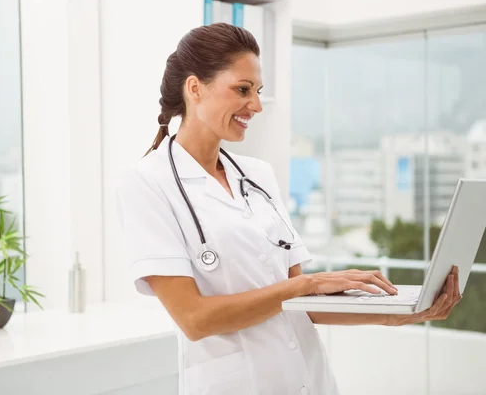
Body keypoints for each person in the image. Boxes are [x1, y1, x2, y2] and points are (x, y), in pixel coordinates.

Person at [116, 23, 462, 395]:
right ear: (195, 87)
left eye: (258, 91)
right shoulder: (147, 182)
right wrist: (307, 283)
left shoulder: (257, 175)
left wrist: (401, 315)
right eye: (242, 90)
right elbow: (194, 319)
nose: (257, 105)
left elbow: (302, 306)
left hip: (308, 380)